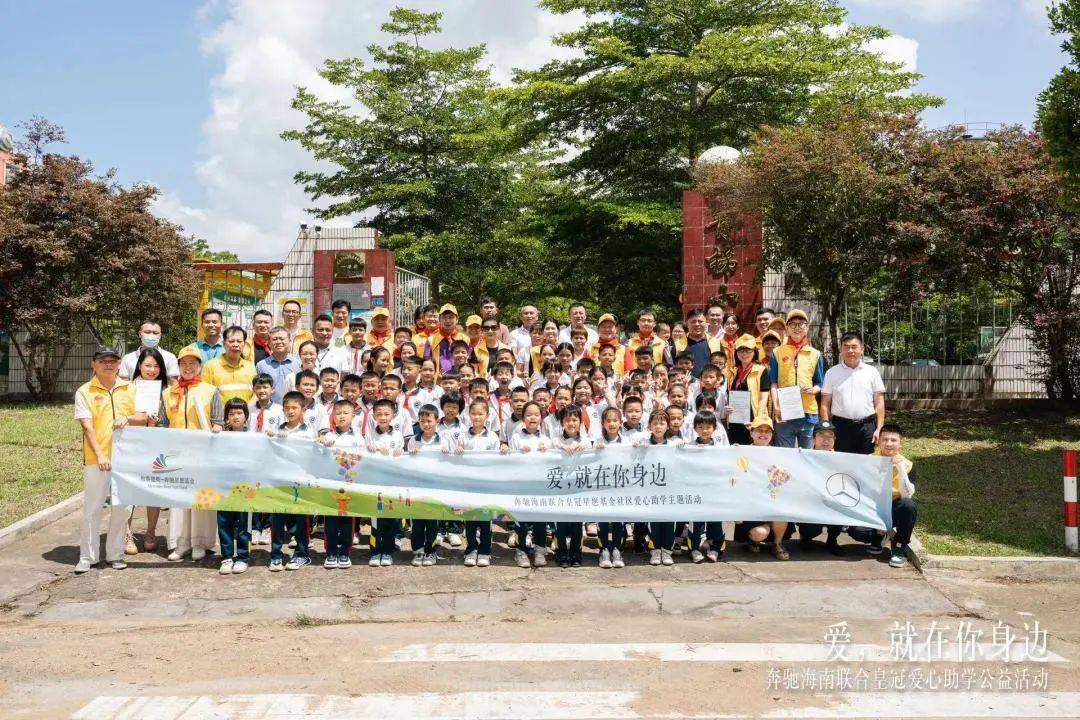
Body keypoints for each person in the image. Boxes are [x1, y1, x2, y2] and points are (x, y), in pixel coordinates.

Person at [74, 347, 139, 573]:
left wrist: (128, 418)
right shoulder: (85, 391)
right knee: (92, 508)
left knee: (122, 508)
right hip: (97, 459)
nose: (108, 365)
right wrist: (101, 454)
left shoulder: (130, 388)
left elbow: (142, 416)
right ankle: (87, 557)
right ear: (93, 364)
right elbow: (87, 427)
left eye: (113, 361)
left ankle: (115, 554)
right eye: (103, 361)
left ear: (119, 364)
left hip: (126, 459)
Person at [161, 347, 224, 562]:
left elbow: (218, 420)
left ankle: (200, 542)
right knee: (178, 499)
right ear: (178, 366)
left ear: (200, 366)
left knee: (201, 498)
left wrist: (216, 428)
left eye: (192, 363)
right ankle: (181, 543)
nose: (188, 367)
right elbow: (162, 423)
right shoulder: (168, 392)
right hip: (176, 454)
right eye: (184, 363)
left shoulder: (210, 390)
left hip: (203, 454)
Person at [125, 347, 171, 554]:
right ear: (139, 366)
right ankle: (127, 534)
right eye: (148, 365)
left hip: (157, 446)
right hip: (133, 445)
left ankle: (150, 532)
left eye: (156, 366)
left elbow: (170, 419)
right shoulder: (128, 388)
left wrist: (155, 423)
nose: (152, 370)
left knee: (153, 489)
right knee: (129, 490)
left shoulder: (167, 391)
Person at [446, 399, 501, 567]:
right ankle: (471, 550)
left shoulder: (492, 437)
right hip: (468, 486)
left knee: (485, 520)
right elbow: (456, 459)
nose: (477, 417)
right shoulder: (463, 436)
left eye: (480, 414)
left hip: (486, 486)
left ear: (487, 416)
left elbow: (497, 461)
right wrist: (458, 451)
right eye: (474, 414)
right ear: (469, 415)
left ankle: (485, 551)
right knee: (470, 519)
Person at [265, 391, 315, 571]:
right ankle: (276, 555)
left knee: (301, 520)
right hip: (280, 482)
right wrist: (271, 438)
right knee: (277, 520)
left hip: (301, 482)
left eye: (295, 408)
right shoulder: (277, 430)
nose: (291, 411)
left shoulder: (309, 431)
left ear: (303, 409)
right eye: (287, 408)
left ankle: (301, 554)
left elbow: (313, 453)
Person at [734, 416, 793, 561]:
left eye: (767, 431)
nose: (763, 434)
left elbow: (788, 477)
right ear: (751, 433)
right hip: (751, 505)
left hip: (772, 500)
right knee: (759, 533)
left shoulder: (781, 454)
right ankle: (754, 540)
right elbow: (735, 481)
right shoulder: (740, 452)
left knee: (781, 514)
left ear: (772, 435)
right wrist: (735, 511)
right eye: (759, 430)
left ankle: (777, 544)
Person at [820, 332, 886, 455]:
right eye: (846, 346)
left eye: (854, 347)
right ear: (841, 350)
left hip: (867, 427)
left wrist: (879, 428)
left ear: (862, 349)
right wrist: (827, 429)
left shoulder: (872, 372)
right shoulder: (831, 373)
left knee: (867, 463)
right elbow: (825, 404)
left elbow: (879, 403)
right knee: (842, 463)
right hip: (840, 427)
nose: (850, 350)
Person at [769, 309, 824, 450]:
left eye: (801, 324)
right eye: (793, 324)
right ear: (787, 328)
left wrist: (813, 390)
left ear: (807, 327)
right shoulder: (777, 352)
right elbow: (774, 383)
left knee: (808, 456)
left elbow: (820, 383)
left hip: (808, 412)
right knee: (784, 455)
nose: (797, 328)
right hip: (785, 411)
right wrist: (776, 406)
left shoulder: (815, 354)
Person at [318, 399, 363, 569]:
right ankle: (330, 552)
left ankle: (344, 552)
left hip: (350, 484)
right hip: (331, 485)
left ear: (353, 416)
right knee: (330, 519)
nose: (341, 416)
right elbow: (319, 458)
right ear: (332, 416)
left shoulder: (358, 437)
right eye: (338, 413)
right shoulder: (327, 436)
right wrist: (321, 445)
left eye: (345, 413)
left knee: (347, 520)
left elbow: (364, 459)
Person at [509, 401, 552, 568]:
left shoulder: (546, 440)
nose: (532, 418)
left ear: (541, 417)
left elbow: (553, 463)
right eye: (528, 415)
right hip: (521, 486)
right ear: (523, 418)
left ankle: (540, 549)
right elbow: (509, 461)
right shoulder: (516, 438)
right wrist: (518, 453)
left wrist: (546, 453)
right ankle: (521, 550)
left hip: (540, 487)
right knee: (522, 520)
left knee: (540, 519)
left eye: (536, 414)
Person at [795, 421, 845, 556]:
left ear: (835, 440)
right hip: (810, 502)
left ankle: (832, 540)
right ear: (813, 438)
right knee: (811, 528)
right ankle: (806, 537)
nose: (826, 440)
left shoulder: (843, 460)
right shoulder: (802, 457)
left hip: (832, 501)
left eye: (830, 436)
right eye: (821, 435)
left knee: (841, 503)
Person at [551, 404, 592, 567]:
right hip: (560, 488)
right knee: (560, 523)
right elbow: (549, 449)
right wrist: (562, 447)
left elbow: (594, 452)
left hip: (578, 488)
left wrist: (583, 448)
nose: (571, 423)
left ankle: (576, 553)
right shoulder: (556, 440)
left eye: (575, 420)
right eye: (567, 420)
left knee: (576, 524)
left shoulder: (586, 441)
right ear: (562, 423)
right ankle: (561, 553)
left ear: (580, 422)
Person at [636, 408, 679, 566]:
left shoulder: (675, 445)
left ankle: (666, 550)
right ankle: (655, 550)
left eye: (662, 423)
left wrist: (684, 448)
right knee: (653, 521)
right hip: (651, 490)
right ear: (649, 425)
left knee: (668, 520)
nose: (658, 427)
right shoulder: (644, 444)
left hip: (669, 490)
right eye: (655, 423)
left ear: (668, 426)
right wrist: (636, 448)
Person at [367, 398, 406, 566]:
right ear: (374, 416)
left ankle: (388, 552)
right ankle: (375, 552)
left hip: (392, 484)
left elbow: (401, 455)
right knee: (376, 519)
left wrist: (398, 452)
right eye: (379, 414)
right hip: (375, 483)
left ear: (393, 416)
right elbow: (365, 453)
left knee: (391, 518)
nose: (383, 417)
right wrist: (373, 449)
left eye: (386, 414)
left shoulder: (398, 435)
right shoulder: (369, 434)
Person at [872, 424, 918, 568]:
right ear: (879, 442)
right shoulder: (868, 460)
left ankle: (899, 547)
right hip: (873, 506)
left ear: (900, 443)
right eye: (885, 439)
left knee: (908, 506)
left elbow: (907, 494)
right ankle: (878, 536)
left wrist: (900, 469)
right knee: (858, 532)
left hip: (894, 505)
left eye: (893, 440)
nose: (889, 443)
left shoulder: (908, 465)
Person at [218, 399, 253, 575]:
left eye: (239, 413)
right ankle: (226, 557)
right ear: (226, 418)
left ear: (246, 416)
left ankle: (242, 557)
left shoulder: (254, 437)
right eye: (231, 414)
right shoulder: (220, 437)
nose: (236, 417)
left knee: (243, 523)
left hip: (245, 489)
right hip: (224, 488)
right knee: (224, 522)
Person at [686, 411, 726, 563]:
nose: (704, 430)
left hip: (715, 491)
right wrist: (681, 448)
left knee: (717, 519)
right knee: (695, 521)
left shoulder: (721, 448)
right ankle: (694, 549)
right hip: (696, 490)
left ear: (714, 428)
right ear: (695, 428)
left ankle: (716, 548)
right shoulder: (689, 446)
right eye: (700, 427)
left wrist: (734, 451)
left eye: (708, 427)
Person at [407, 404, 444, 566]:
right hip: (417, 488)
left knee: (432, 523)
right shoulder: (413, 440)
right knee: (417, 523)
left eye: (429, 421)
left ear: (437, 421)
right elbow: (407, 463)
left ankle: (431, 551)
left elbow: (450, 462)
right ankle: (418, 551)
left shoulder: (443, 441)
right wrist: (411, 455)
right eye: (422, 421)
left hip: (435, 489)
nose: (426, 424)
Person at [723, 334, 771, 446]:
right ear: (736, 353)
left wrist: (757, 422)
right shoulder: (732, 372)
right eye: (741, 350)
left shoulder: (761, 370)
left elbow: (763, 399)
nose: (744, 354)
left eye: (748, 350)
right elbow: (728, 395)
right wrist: (727, 407)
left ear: (754, 352)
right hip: (734, 420)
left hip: (752, 420)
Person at [203, 326, 257, 404]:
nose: (235, 344)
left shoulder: (250, 367)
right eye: (231, 341)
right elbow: (205, 394)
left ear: (244, 344)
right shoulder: (210, 366)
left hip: (246, 411)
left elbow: (256, 393)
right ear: (224, 344)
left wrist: (248, 408)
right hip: (220, 411)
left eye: (239, 341)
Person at [255, 327, 299, 404]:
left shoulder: (297, 364)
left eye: (282, 339)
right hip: (269, 408)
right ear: (269, 343)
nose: (278, 342)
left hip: (293, 407)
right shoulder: (261, 365)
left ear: (289, 341)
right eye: (275, 339)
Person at [424, 304, 468, 375]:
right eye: (444, 317)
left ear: (457, 319)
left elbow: (469, 361)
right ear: (439, 320)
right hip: (438, 379)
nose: (447, 321)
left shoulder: (465, 339)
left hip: (461, 378)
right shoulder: (431, 340)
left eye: (451, 317)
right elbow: (427, 363)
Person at [683, 309, 723, 378]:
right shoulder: (678, 344)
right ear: (687, 323)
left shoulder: (715, 343)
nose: (697, 324)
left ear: (706, 322)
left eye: (700, 321)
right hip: (685, 382)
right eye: (693, 322)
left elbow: (723, 365)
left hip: (710, 382)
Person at [510, 304, 539, 375]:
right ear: (521, 317)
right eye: (526, 313)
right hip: (521, 371)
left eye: (531, 313)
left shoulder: (543, 333)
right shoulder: (514, 334)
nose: (529, 316)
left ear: (537, 317)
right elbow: (513, 354)